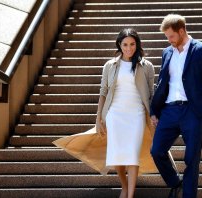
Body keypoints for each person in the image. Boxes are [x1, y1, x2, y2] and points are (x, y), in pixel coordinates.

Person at [54, 28, 157, 198]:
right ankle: (124, 187)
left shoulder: (147, 66)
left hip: (137, 114)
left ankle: (130, 195)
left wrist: (153, 115)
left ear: (137, 45)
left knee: (132, 155)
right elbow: (103, 92)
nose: (129, 48)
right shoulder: (110, 65)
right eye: (125, 44)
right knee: (117, 156)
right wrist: (98, 118)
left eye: (132, 44)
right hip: (115, 114)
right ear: (119, 45)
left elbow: (151, 94)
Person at [150, 14, 202, 198]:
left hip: (193, 110)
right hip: (169, 110)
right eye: (167, 37)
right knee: (157, 150)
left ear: (181, 31)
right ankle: (176, 183)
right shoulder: (167, 52)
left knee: (191, 158)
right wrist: (154, 110)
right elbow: (162, 82)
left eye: (171, 36)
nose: (169, 40)